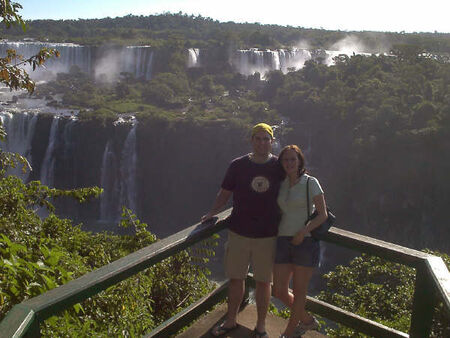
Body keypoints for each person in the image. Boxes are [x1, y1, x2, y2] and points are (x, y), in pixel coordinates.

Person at [202, 123, 283, 338]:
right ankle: (231, 321)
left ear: (272, 142)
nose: (262, 143)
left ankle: (261, 326)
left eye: (266, 139)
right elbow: (225, 192)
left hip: (268, 234)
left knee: (264, 282)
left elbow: (297, 185)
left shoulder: (279, 166)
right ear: (251, 140)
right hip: (239, 231)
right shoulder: (238, 165)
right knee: (236, 279)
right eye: (258, 138)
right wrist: (212, 212)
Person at [272, 145, 328, 338]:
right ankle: (307, 321)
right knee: (278, 290)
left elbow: (322, 214)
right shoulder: (281, 184)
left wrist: (304, 232)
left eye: (292, 159)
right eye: (285, 160)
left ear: (300, 161)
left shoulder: (310, 182)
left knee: (299, 291)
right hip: (281, 240)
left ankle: (289, 333)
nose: (289, 163)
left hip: (304, 242)